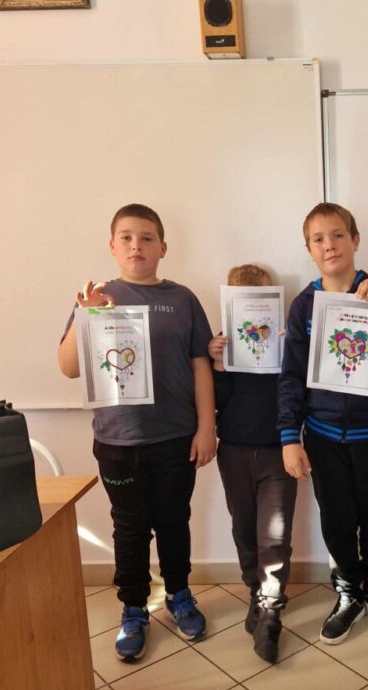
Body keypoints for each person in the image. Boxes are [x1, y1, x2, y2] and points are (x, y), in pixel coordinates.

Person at [58, 203, 216, 660]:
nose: (136, 246)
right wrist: (85, 315)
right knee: (129, 528)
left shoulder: (182, 299)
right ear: (112, 246)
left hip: (175, 436)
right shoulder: (98, 296)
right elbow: (68, 368)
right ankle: (133, 608)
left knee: (173, 520)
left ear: (163, 247)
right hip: (117, 440)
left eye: (147, 238)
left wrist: (207, 427)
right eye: (126, 237)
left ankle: (180, 595)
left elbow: (200, 365)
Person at [277, 202, 368, 645]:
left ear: (355, 240)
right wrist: (289, 437)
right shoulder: (304, 306)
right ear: (309, 250)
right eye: (318, 239)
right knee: (336, 519)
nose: (329, 245)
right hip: (322, 436)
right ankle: (349, 591)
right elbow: (292, 376)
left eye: (338, 235)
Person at [209, 264, 296, 664]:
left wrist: (289, 351)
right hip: (234, 451)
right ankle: (254, 593)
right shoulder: (223, 346)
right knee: (244, 529)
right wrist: (218, 366)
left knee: (275, 536)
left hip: (279, 450)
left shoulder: (284, 342)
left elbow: (295, 393)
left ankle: (271, 611)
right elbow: (215, 403)